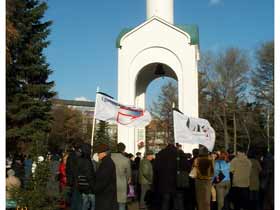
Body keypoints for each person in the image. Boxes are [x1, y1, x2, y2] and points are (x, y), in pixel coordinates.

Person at [154, 143, 182, 210]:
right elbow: (185, 166)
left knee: (165, 201)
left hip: (164, 182)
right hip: (177, 182)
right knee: (177, 201)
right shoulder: (179, 153)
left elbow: (156, 168)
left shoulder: (161, 153)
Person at [94, 143, 118, 210]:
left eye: (99, 152)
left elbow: (103, 180)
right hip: (106, 195)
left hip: (105, 196)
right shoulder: (106, 162)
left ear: (104, 153)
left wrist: (95, 189)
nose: (98, 154)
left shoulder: (106, 163)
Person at [111, 143, 132, 210]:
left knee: (112, 204)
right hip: (122, 184)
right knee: (121, 205)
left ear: (116, 148)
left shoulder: (110, 157)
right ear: (124, 150)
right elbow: (128, 174)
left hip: (110, 184)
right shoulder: (126, 160)